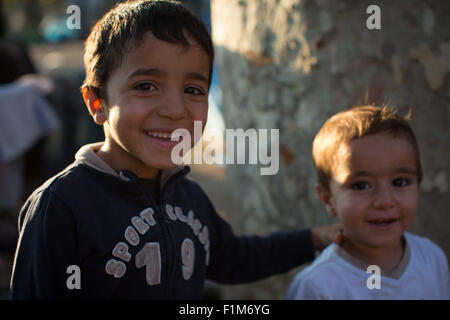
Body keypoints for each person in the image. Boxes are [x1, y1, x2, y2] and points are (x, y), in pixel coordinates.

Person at [9, 0, 339, 299]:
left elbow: (236, 259)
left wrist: (316, 238)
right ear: (98, 102)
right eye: (146, 86)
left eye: (193, 89)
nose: (175, 109)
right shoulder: (61, 206)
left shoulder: (190, 197)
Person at [286, 105, 450, 300]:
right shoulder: (318, 287)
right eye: (361, 185)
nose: (385, 201)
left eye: (400, 182)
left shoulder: (432, 258)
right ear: (327, 199)